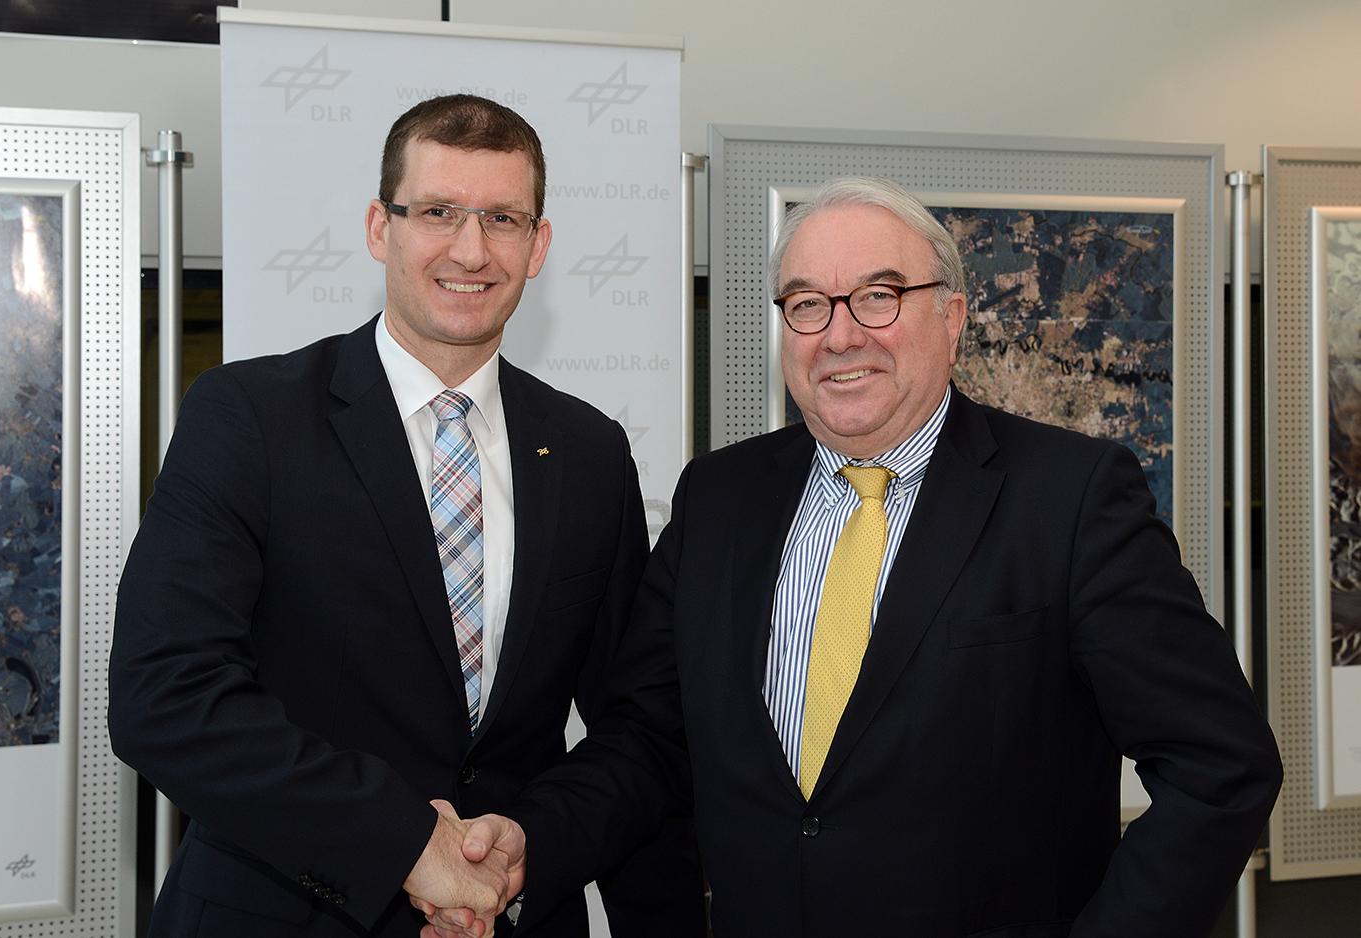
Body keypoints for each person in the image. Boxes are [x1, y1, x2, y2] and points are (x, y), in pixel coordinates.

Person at [436, 175, 1284, 937]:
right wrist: (528, 845)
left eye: (878, 296)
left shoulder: (1069, 499)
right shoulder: (718, 498)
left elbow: (1220, 765)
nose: (839, 335)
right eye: (807, 304)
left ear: (951, 317)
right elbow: (649, 740)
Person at [108, 94, 703, 938]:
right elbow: (165, 695)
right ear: (379, 228)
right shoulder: (249, 418)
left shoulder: (589, 452)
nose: (471, 249)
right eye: (437, 212)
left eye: (502, 218)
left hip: (509, 915)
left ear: (537, 246)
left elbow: (638, 727)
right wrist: (405, 844)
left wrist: (526, 850)